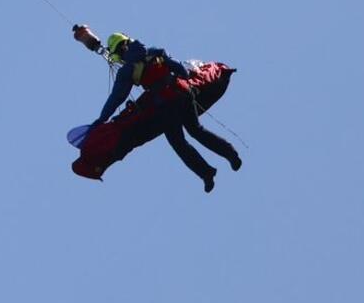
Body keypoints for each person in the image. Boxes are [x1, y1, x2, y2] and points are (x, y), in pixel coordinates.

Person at [72, 23, 242, 191]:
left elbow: (116, 98)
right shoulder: (151, 52)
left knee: (178, 142)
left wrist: (101, 119)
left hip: (167, 103)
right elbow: (179, 68)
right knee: (196, 130)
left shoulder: (128, 70)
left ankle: (207, 174)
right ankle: (231, 155)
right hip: (183, 91)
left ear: (120, 51)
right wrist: (185, 83)